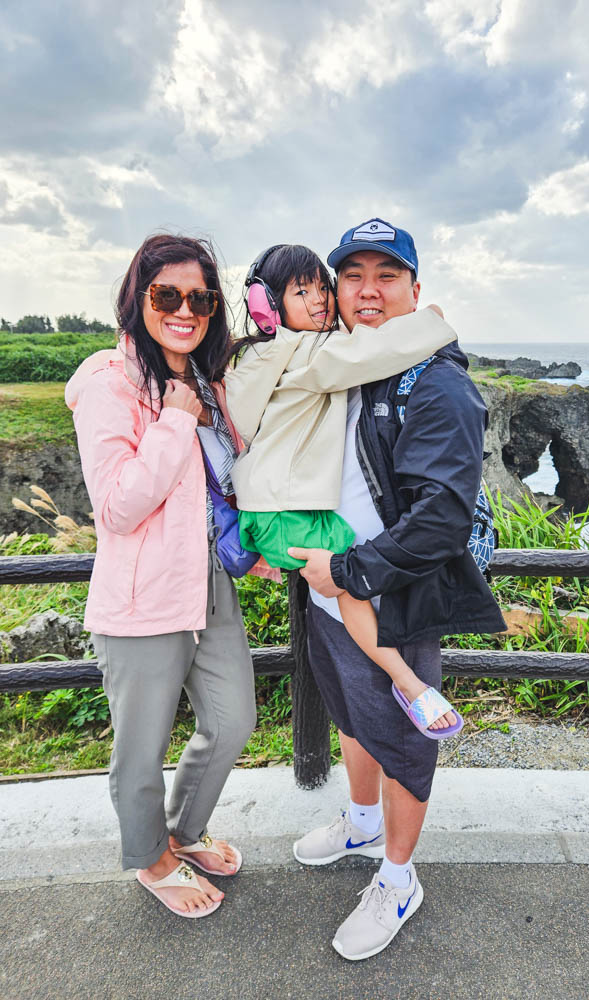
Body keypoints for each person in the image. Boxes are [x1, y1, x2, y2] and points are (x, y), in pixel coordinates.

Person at [289, 218, 506, 960]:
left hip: (393, 592)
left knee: (406, 746)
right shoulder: (348, 362)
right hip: (330, 593)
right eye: (354, 275)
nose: (369, 290)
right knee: (352, 714)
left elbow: (439, 523)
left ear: (417, 291)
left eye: (388, 275)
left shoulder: (437, 383)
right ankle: (359, 819)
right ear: (337, 290)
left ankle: (398, 877)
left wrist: (344, 571)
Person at [65, 234, 262, 919]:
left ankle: (181, 833)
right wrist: (175, 423)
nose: (186, 309)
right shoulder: (107, 382)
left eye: (200, 297)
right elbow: (118, 507)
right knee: (140, 749)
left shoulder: (206, 381)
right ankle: (151, 859)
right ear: (138, 298)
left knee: (235, 720)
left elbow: (224, 485)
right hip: (143, 592)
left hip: (209, 581)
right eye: (167, 295)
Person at [224, 243, 461, 735]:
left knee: (340, 575)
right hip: (285, 508)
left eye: (320, 287)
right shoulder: (309, 352)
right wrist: (430, 322)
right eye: (300, 291)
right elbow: (373, 351)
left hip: (271, 507)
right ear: (267, 304)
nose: (319, 301)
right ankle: (409, 684)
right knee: (345, 573)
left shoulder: (254, 355)